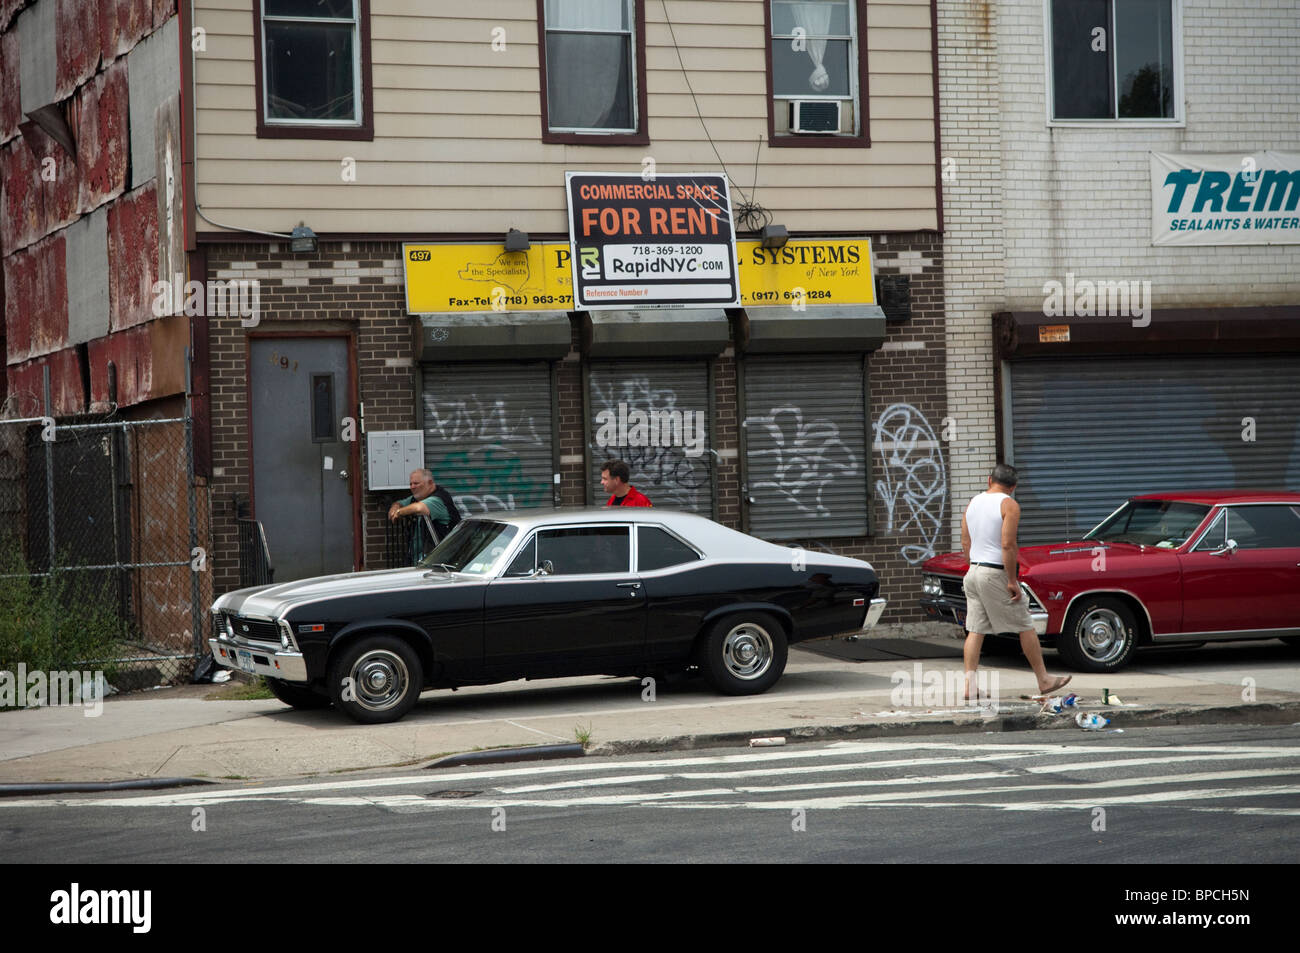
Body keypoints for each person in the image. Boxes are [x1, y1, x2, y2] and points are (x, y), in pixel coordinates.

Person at [961, 463, 1071, 700]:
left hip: (973, 571)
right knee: (1025, 624)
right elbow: (1008, 545)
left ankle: (970, 685)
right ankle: (1044, 680)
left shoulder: (973, 502)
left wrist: (972, 564)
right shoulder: (1009, 505)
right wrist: (1012, 580)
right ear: (1014, 487)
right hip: (994, 572)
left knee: (975, 630)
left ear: (990, 480)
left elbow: (965, 540)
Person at [388, 469, 461, 559]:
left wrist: (399, 512)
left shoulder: (438, 499)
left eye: (416, 483)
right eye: (410, 484)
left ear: (430, 483)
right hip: (419, 558)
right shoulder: (418, 497)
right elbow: (400, 503)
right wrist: (394, 508)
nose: (412, 487)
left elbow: (419, 508)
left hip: (439, 558)